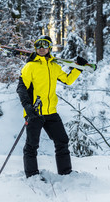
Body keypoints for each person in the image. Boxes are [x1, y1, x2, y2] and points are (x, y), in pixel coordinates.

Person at [16, 35, 88, 178]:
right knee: (32, 146)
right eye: (38, 46)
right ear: (35, 48)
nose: (41, 48)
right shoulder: (30, 66)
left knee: (62, 141)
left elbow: (67, 80)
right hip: (35, 112)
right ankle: (32, 176)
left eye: (44, 45)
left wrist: (78, 68)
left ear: (49, 48)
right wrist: (27, 107)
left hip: (51, 112)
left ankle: (65, 172)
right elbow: (21, 88)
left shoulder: (54, 66)